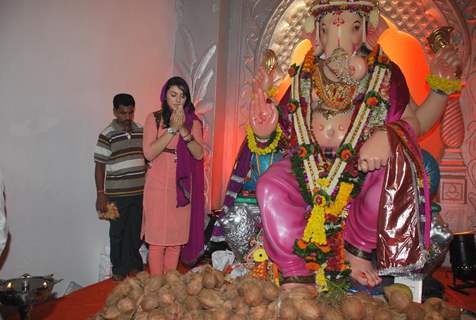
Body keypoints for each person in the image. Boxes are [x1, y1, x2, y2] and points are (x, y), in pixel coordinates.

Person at [244, 0, 462, 291]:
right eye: (327, 30)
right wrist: (264, 132)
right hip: (309, 167)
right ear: (317, 34)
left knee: (392, 175)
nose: (339, 42)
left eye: (353, 28)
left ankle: (357, 251)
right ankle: (296, 269)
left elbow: (416, 122)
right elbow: (284, 134)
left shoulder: (384, 74)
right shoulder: (303, 76)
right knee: (269, 186)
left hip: (362, 169)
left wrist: (393, 130)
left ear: (365, 30)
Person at [142, 76, 205, 275]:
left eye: (182, 96)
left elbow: (199, 153)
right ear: (165, 95)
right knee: (157, 243)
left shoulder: (193, 122)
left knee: (175, 243)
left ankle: (169, 288)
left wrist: (183, 130)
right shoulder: (154, 118)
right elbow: (149, 153)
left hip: (182, 188)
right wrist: (171, 129)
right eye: (173, 94)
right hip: (157, 186)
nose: (178, 100)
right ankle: (156, 286)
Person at [94, 93, 146, 281]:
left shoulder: (141, 129)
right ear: (115, 111)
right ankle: (118, 269)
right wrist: (101, 194)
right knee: (116, 232)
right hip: (115, 195)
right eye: (123, 113)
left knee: (136, 231)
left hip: (139, 193)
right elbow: (99, 166)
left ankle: (134, 264)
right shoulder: (106, 134)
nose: (127, 117)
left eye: (130, 112)